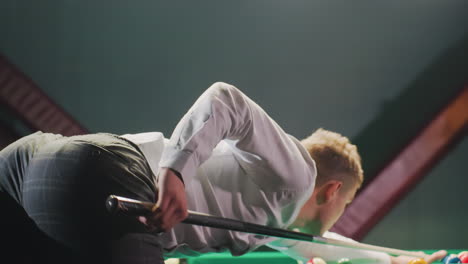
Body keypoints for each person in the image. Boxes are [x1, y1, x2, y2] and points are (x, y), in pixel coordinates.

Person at [0, 82, 445, 264]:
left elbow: (331, 247)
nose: (338, 219)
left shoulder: (273, 218)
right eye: (345, 206)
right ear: (331, 190)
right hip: (105, 184)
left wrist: (404, 260)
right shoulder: (297, 178)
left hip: (33, 163)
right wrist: (175, 173)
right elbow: (225, 99)